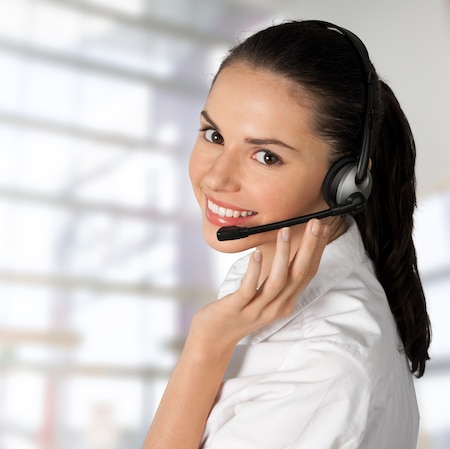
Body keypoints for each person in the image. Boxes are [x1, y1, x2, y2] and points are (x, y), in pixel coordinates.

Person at [142, 19, 431, 449]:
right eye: (214, 135)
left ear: (346, 182)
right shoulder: (264, 288)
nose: (216, 178)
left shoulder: (320, 365)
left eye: (266, 156)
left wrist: (204, 347)